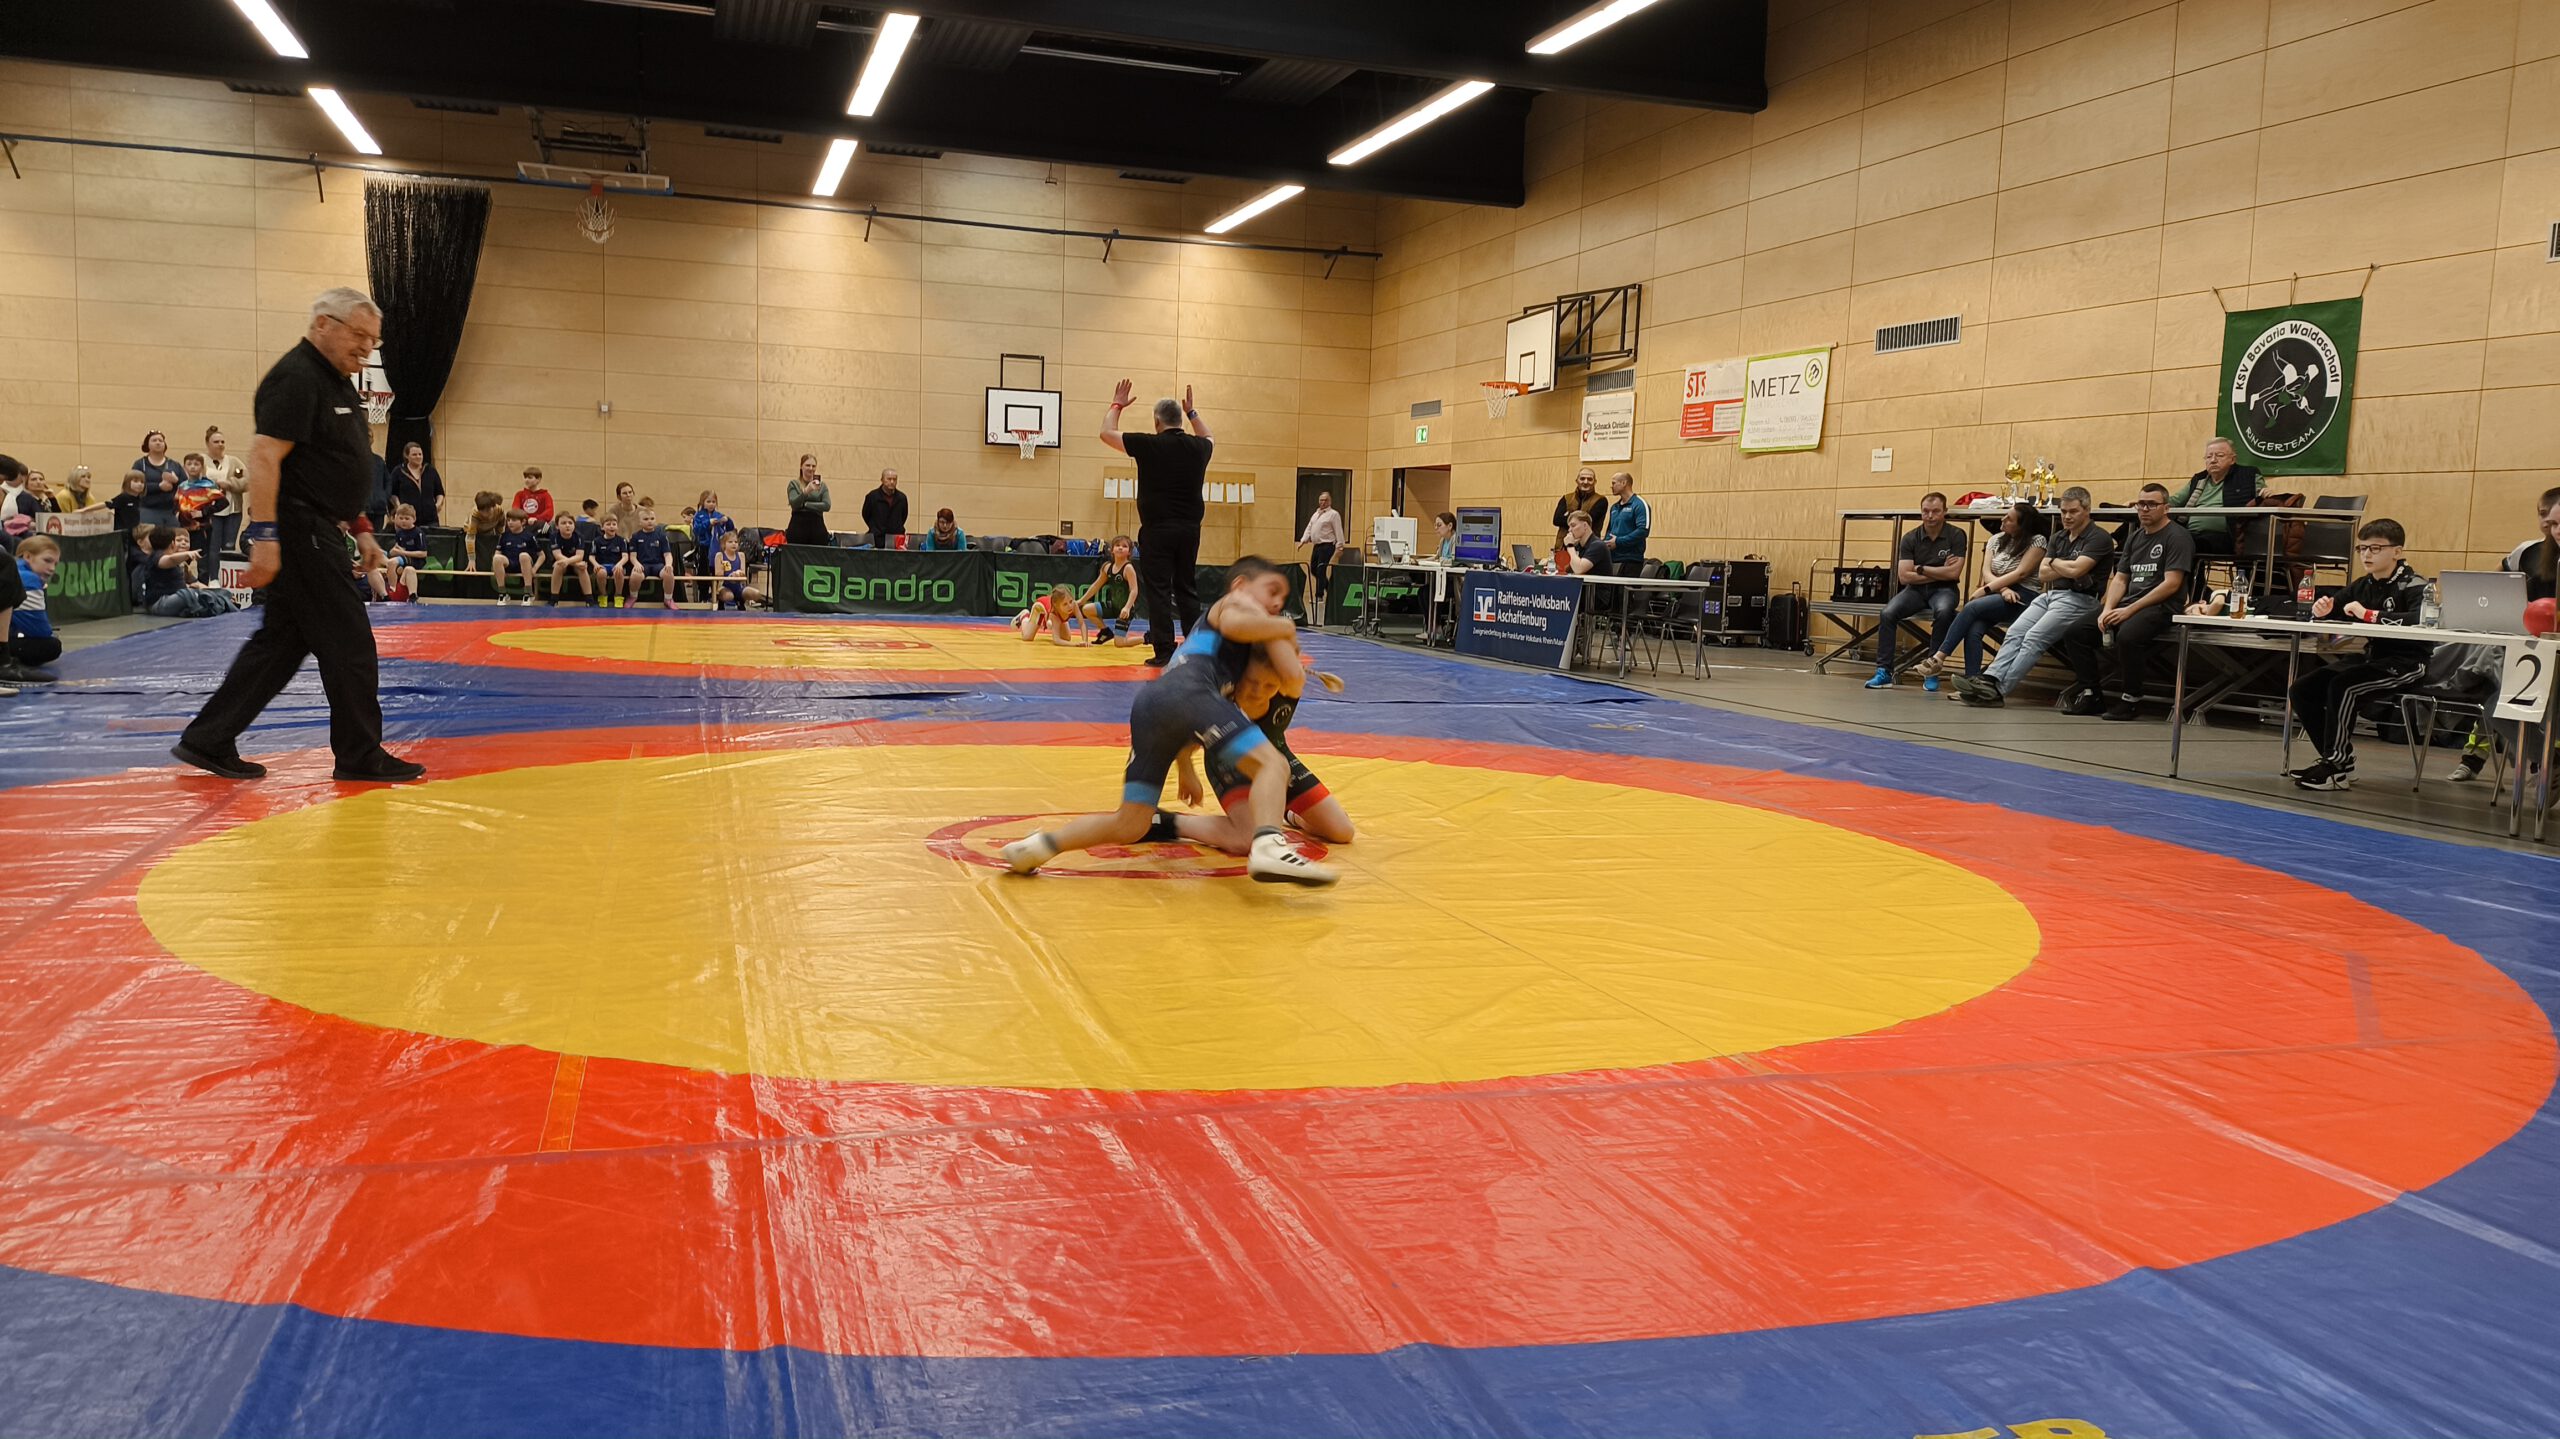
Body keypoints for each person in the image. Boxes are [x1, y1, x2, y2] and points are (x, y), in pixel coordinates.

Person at [173, 288, 423, 783]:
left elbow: (333, 465)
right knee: (350, 643)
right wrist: (266, 536)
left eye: (373, 340)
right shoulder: (297, 377)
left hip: (317, 526)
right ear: (323, 324)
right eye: (359, 335)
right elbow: (265, 457)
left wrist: (362, 528)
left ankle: (209, 738)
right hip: (300, 531)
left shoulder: (337, 382)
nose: (366, 348)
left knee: (281, 644)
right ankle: (359, 754)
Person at [1000, 555, 1338, 886]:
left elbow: (1183, 701)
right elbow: (1236, 630)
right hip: (1189, 696)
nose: (1277, 602)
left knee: (1130, 823)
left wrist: (1185, 765)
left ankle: (1037, 847)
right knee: (1273, 765)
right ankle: (1269, 846)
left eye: (1283, 597)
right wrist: (1286, 626)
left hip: (1153, 703)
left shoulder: (1214, 641)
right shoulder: (1235, 603)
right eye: (1272, 590)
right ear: (1240, 585)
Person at [2280, 518, 2432, 792]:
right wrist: (2323, 609)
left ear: (2397, 552)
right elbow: (2338, 607)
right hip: (2373, 658)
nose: (2366, 555)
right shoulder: (2363, 585)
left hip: (2408, 662)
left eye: (2375, 548)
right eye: (2362, 548)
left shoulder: (2414, 584)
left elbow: (2421, 619)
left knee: (2344, 687)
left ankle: (2335, 766)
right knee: (2302, 690)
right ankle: (2340, 760)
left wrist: (2369, 615)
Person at [1169, 647, 1356, 854]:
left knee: (1343, 831)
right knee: (1248, 840)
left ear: (1281, 681)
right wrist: (1186, 770)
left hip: (1277, 759)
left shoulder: (1292, 684)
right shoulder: (1221, 698)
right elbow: (1186, 731)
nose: (1258, 692)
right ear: (1239, 675)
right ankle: (1170, 822)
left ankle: (1290, 814)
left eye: (1270, 685)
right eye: (1252, 682)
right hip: (1228, 765)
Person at [1959, 488, 2114, 708]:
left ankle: (1998, 691)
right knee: (2015, 632)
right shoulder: (2059, 536)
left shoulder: (2098, 537)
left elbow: (2077, 570)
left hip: (2081, 599)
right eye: (2063, 512)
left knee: (2034, 638)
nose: (2067, 517)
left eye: (2073, 512)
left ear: (2087, 510)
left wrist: (2054, 562)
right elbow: (2043, 574)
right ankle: (1990, 678)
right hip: (2050, 595)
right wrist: (2063, 566)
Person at [2059, 482, 2196, 720]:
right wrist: (2107, 609)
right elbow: (2121, 579)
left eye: (2152, 504)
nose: (2145, 509)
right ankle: (2092, 694)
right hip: (2128, 604)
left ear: (2166, 508)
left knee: (2128, 636)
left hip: (2162, 605)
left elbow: (2172, 584)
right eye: (2141, 504)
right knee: (2076, 632)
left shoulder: (2177, 537)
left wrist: (2129, 610)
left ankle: (2131, 699)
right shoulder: (2135, 537)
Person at [1101, 380, 1213, 667]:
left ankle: (1164, 651)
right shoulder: (1199, 447)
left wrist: (1117, 404)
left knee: (1159, 590)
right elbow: (1209, 436)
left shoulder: (1149, 444)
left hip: (1157, 530)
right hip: (1189, 530)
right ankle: (1196, 650)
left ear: (1156, 422)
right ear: (1180, 420)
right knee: (1187, 587)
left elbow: (1106, 433)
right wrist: (1193, 412)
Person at [1920, 502, 2048, 687]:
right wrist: (2002, 589)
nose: (2003, 519)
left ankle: (1939, 657)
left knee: (1972, 606)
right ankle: (1972, 683)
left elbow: (2021, 573)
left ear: (2022, 525)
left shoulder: (2037, 541)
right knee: (1973, 630)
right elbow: (1986, 572)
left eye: (2009, 519)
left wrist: (1986, 589)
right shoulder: (1996, 539)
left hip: (2023, 596)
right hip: (1998, 593)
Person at [1865, 491, 1966, 689]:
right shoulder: (1910, 538)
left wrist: (1920, 568)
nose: (1930, 516)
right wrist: (1940, 571)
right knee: (1887, 613)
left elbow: (1954, 574)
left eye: (1935, 511)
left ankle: (1932, 670)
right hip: (1915, 591)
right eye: (1925, 511)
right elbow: (1904, 577)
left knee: (1945, 611)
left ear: (1945, 511)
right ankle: (1884, 671)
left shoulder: (1956, 535)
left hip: (1944, 589)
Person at [2167, 437, 2260, 559]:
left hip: (2229, 536)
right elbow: (2175, 501)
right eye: (2209, 457)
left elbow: (2262, 497)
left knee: (2186, 544)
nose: (2213, 460)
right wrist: (2151, 502)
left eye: (2219, 455)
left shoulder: (2248, 475)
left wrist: (2264, 493)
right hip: (2189, 534)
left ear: (2232, 459)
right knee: (2166, 539)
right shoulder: (2199, 479)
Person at [140, 527, 238, 618]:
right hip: (160, 603)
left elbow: (195, 583)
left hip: (177, 599)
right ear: (172, 543)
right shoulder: (156, 557)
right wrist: (187, 554)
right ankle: (215, 604)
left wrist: (217, 592)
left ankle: (223, 601)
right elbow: (169, 560)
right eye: (178, 540)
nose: (182, 543)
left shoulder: (182, 565)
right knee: (187, 594)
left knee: (211, 593)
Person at [6, 533, 61, 683]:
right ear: (28, 556)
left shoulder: (14, 570)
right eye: (47, 561)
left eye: (55, 564)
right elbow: (40, 631)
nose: (52, 569)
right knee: (51, 646)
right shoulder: (28, 579)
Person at [1077, 534, 1146, 645]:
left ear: (1129, 552)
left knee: (1119, 643)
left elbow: (1134, 590)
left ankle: (1147, 638)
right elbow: (1096, 586)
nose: (1120, 548)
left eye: (1124, 546)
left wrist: (1127, 608)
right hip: (1113, 606)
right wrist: (1081, 600)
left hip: (1125, 610)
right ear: (1112, 550)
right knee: (1087, 609)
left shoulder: (1128, 568)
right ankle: (1105, 632)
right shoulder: (1107, 567)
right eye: (1117, 545)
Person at [1297, 490, 1345, 626]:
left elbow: (1338, 530)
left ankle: (1319, 596)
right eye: (1321, 500)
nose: (1322, 502)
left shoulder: (1333, 514)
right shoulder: (1316, 514)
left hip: (1327, 545)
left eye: (1325, 500)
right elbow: (1309, 528)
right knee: (1313, 569)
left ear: (1329, 501)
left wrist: (1340, 546)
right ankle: (1329, 589)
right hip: (1317, 546)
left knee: (1321, 570)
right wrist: (1303, 540)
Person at [203, 427, 249, 557]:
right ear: (207, 443)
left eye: (222, 442)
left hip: (232, 511)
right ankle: (211, 570)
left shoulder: (234, 461)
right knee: (212, 546)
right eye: (216, 442)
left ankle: (225, 569)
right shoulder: (201, 460)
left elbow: (247, 481)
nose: (220, 444)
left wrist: (230, 484)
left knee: (229, 547)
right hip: (210, 511)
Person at [385, 441, 444, 528]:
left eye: (420, 454)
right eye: (414, 455)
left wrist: (436, 506)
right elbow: (392, 493)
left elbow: (439, 492)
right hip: (407, 520)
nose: (418, 457)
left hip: (431, 520)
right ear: (406, 456)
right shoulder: (398, 471)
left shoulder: (430, 470)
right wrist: (399, 506)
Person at [133, 430, 185, 527]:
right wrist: (159, 486)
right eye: (154, 440)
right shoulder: (140, 464)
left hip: (170, 511)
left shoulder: (174, 465)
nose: (158, 443)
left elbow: (186, 486)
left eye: (161, 441)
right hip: (147, 509)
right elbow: (133, 487)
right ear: (147, 444)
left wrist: (176, 481)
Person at [1603, 471, 1650, 575]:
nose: (1611, 486)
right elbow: (1610, 530)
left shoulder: (1639, 504)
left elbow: (1643, 531)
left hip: (1631, 560)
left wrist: (1618, 541)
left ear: (1623, 483)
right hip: (1612, 559)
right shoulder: (1614, 507)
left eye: (1614, 483)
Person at [631, 505, 678, 608]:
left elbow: (667, 554)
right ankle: (633, 596)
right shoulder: (635, 536)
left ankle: (668, 599)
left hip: (658, 565)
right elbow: (633, 556)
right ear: (639, 522)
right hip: (643, 565)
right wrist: (636, 564)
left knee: (669, 573)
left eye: (652, 519)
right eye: (646, 519)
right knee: (635, 575)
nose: (650, 521)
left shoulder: (661, 536)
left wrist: (668, 564)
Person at [491, 509, 541, 603]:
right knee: (497, 558)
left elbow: (542, 556)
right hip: (510, 563)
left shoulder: (529, 536)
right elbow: (498, 553)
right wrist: (495, 567)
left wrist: (535, 568)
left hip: (525, 565)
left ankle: (528, 593)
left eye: (513, 520)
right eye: (508, 520)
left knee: (523, 555)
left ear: (523, 522)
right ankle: (502, 593)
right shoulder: (504, 535)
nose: (510, 522)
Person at [382, 504, 429, 601]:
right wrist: (393, 552)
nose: (403, 521)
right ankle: (393, 589)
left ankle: (393, 589)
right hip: (404, 559)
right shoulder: (399, 533)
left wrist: (403, 553)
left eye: (407, 518)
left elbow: (423, 553)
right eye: (401, 518)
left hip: (416, 560)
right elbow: (396, 549)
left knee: (392, 562)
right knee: (380, 554)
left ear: (414, 519)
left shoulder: (418, 533)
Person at [546, 512, 595, 605]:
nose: (567, 525)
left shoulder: (579, 536)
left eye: (570, 523)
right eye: (563, 523)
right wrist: (575, 563)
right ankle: (554, 598)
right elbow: (558, 555)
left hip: (574, 562)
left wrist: (572, 563)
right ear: (557, 526)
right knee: (558, 566)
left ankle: (589, 599)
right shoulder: (554, 536)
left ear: (574, 525)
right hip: (562, 563)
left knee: (582, 568)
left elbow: (579, 556)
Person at [1552, 467, 1608, 547]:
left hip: (1588, 547)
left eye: (1590, 479)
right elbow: (1557, 520)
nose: (1585, 482)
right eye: (1582, 478)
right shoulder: (1566, 498)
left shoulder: (1601, 500)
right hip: (1562, 546)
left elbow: (1588, 522)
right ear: (1576, 481)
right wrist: (1580, 518)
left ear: (1595, 482)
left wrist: (1568, 515)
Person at [1014, 584, 1086, 645]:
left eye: (1070, 601)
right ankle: (1024, 617)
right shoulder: (1053, 613)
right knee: (1027, 637)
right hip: (1039, 607)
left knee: (1066, 638)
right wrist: (1075, 644)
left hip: (1053, 611)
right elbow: (1056, 640)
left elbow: (1082, 623)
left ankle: (1047, 618)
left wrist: (1084, 641)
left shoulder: (1074, 605)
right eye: (1065, 604)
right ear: (1057, 606)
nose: (1070, 606)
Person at [785, 455, 832, 546]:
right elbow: (794, 503)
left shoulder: (822, 486)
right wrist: (806, 491)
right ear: (801, 466)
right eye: (807, 465)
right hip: (797, 528)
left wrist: (806, 504)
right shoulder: (793, 484)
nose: (811, 468)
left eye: (813, 466)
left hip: (817, 527)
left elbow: (827, 505)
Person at [591, 514, 634, 607]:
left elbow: (625, 556)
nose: (611, 526)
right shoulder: (597, 541)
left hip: (616, 565)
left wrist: (619, 564)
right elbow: (591, 556)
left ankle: (618, 596)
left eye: (614, 524)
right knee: (601, 573)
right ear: (602, 527)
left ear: (617, 526)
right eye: (608, 524)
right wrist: (596, 564)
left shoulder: (621, 541)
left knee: (619, 571)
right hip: (603, 566)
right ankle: (603, 595)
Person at [712, 531, 764, 609]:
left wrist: (739, 574)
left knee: (757, 594)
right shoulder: (720, 555)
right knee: (729, 596)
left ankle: (740, 601)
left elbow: (743, 575)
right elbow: (718, 575)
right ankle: (722, 602)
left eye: (736, 542)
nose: (734, 544)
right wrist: (730, 576)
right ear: (724, 544)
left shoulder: (741, 555)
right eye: (730, 542)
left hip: (739, 586)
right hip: (724, 586)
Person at [860, 468, 908, 550]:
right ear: (882, 480)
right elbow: (866, 514)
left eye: (894, 479)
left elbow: (904, 516)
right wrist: (875, 528)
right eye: (889, 479)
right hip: (877, 538)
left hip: (896, 539)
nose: (892, 482)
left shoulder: (902, 498)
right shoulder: (872, 496)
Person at [691, 489, 735, 571]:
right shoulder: (698, 516)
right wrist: (708, 523)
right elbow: (696, 530)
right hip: (703, 547)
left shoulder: (719, 515)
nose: (711, 504)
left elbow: (730, 530)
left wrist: (728, 520)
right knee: (703, 570)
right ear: (703, 502)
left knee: (717, 569)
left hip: (718, 547)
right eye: (708, 501)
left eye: (713, 502)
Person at [1560, 510, 1608, 574]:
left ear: (1585, 525)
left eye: (1573, 525)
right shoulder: (1578, 546)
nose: (1569, 530)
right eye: (1569, 527)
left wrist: (1570, 545)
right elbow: (1564, 569)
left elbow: (1578, 569)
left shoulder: (1598, 545)